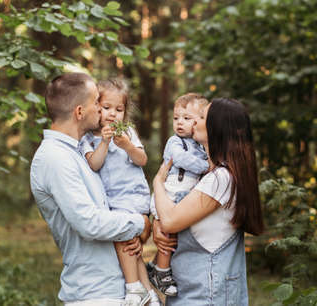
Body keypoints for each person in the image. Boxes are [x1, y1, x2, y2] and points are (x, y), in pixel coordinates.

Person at [30, 73, 150, 306]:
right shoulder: (55, 158)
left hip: (117, 289)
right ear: (79, 112)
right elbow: (89, 223)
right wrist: (140, 223)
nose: (102, 109)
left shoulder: (77, 153)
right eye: (97, 102)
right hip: (95, 294)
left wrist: (139, 230)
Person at [153, 98, 264, 306]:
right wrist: (156, 226)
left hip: (207, 296)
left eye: (202, 117)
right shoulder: (208, 176)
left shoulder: (221, 179)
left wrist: (158, 182)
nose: (194, 122)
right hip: (192, 293)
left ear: (216, 128)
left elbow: (169, 220)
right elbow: (171, 219)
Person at [80, 78, 160, 306]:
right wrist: (104, 143)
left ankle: (133, 288)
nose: (113, 114)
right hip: (113, 201)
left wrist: (126, 145)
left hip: (132, 197)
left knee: (121, 238)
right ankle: (149, 294)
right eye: (106, 108)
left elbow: (142, 159)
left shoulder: (128, 132)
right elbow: (94, 164)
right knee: (132, 248)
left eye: (119, 109)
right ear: (95, 107)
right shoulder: (87, 139)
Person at [148, 93, 209, 297]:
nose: (179, 122)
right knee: (167, 232)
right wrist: (204, 166)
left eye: (186, 118)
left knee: (174, 235)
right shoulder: (175, 142)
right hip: (169, 193)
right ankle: (162, 272)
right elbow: (180, 159)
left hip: (183, 194)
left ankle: (156, 266)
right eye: (176, 118)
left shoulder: (200, 145)